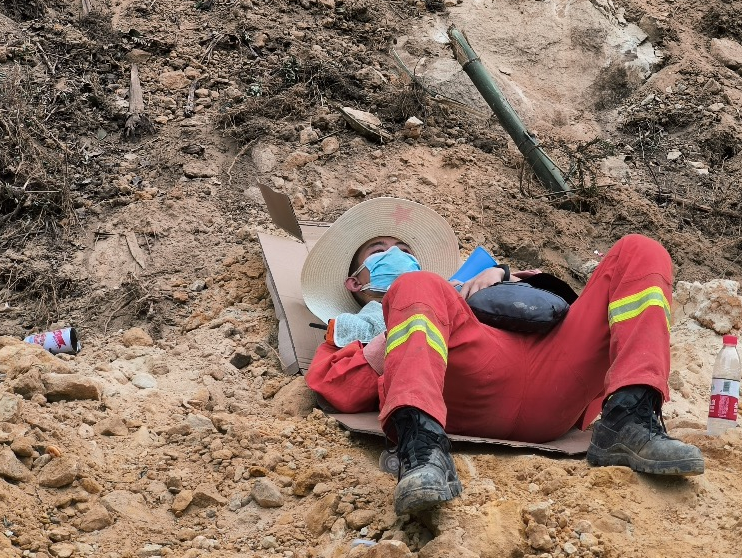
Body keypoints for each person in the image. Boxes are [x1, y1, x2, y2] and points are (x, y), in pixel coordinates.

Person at [301, 197, 704, 516]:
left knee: (641, 250)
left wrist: (503, 276)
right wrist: (399, 326)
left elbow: (561, 308)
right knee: (415, 286)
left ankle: (631, 421)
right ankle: (423, 451)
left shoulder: (461, 284)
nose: (396, 254)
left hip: (556, 377)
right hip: (472, 383)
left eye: (404, 248)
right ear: (354, 281)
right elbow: (338, 388)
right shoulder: (357, 323)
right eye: (379, 249)